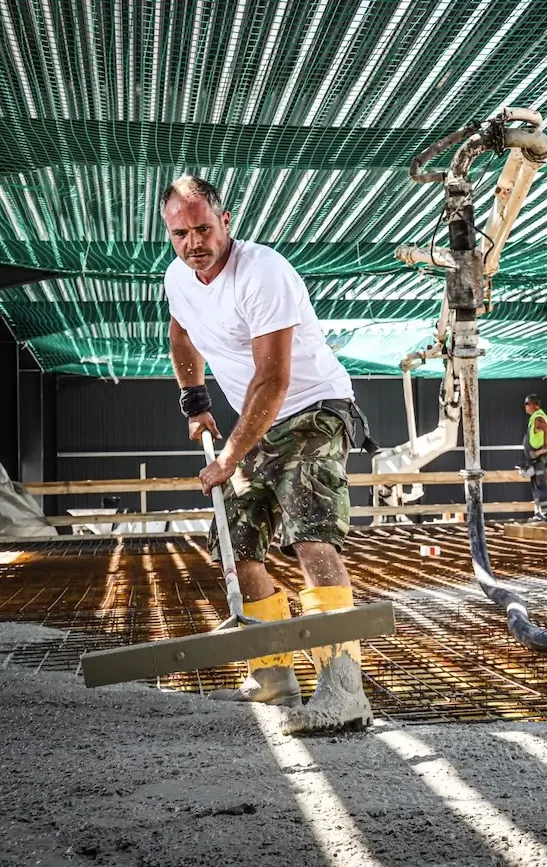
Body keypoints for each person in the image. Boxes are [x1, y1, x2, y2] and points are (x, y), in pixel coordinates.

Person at [161, 174, 378, 734]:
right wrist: (194, 402)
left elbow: (273, 379)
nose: (194, 243)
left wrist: (228, 457)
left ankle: (344, 691)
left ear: (225, 221)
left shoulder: (263, 272)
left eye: (203, 229)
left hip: (313, 408)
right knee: (235, 541)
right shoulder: (178, 279)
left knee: (311, 533)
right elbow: (182, 336)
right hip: (257, 420)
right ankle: (273, 676)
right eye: (180, 234)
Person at [522, 394, 547, 521]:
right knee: (536, 487)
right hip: (534, 460)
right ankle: (539, 513)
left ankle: (546, 514)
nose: (525, 406)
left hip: (539, 459)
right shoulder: (534, 418)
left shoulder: (538, 417)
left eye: (527, 404)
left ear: (533, 405)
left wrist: (544, 448)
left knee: (541, 486)